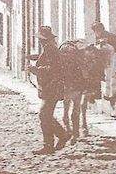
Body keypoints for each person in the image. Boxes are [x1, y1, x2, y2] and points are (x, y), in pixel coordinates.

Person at [29, 26, 71, 155]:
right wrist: (36, 58)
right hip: (50, 87)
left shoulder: (50, 49)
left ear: (44, 39)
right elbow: (48, 60)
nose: (40, 41)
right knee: (46, 115)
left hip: (52, 87)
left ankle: (53, 142)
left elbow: (54, 68)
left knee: (44, 114)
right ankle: (60, 137)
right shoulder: (49, 48)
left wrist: (36, 70)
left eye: (41, 39)